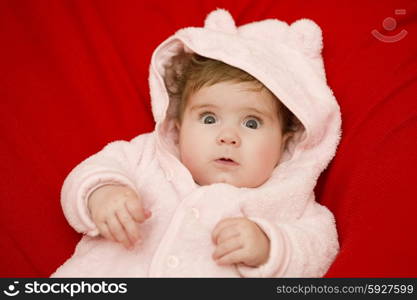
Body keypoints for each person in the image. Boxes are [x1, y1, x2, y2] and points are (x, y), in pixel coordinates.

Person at [51, 9, 341, 277]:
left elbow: (320, 249)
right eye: (209, 118)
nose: (228, 137)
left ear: (286, 140)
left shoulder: (288, 200)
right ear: (178, 124)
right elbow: (84, 176)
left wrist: (269, 247)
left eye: (251, 122)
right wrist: (102, 194)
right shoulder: (145, 156)